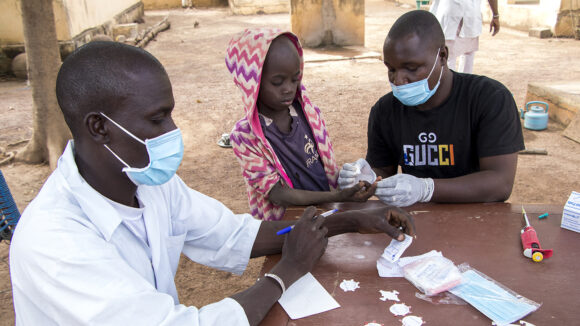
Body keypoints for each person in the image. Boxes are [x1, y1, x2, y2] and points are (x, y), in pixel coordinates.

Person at [9, 41, 415, 326]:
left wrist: (349, 220)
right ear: (99, 127)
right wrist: (285, 273)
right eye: (157, 119)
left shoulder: (146, 183)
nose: (173, 130)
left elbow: (234, 234)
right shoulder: (56, 242)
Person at [338, 10, 524, 207]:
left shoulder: (489, 99)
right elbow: (385, 174)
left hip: (476, 218)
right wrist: (367, 177)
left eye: (411, 68)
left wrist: (425, 189)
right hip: (416, 222)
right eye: (391, 69)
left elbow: (500, 183)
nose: (398, 80)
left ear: (442, 56)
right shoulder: (385, 111)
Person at [227, 28, 376, 221]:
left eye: (294, 79)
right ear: (251, 83)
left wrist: (349, 179)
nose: (288, 89)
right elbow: (278, 195)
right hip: (287, 225)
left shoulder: (309, 114)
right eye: (277, 82)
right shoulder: (245, 137)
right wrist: (337, 196)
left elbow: (326, 167)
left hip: (327, 212)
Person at [429, 0, 500, 73]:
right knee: (465, 58)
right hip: (469, 15)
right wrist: (495, 16)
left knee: (450, 57)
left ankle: (450, 83)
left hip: (453, 14)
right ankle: (459, 83)